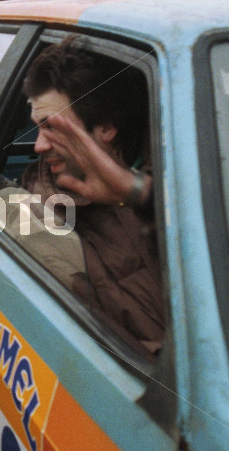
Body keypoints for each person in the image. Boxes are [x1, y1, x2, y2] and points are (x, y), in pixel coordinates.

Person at [21, 37, 165, 354]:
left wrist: (145, 195)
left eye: (52, 128)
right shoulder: (46, 221)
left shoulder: (184, 174)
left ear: (106, 128)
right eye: (37, 128)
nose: (38, 147)